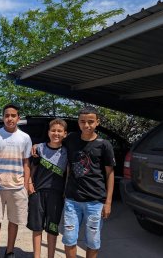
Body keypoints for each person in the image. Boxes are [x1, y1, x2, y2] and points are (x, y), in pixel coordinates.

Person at [61, 106, 115, 258]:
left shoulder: (104, 145)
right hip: (72, 200)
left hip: (95, 202)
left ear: (97, 122)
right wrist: (36, 145)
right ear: (78, 123)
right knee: (69, 239)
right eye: (82, 121)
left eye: (91, 121)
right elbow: (54, 141)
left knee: (92, 241)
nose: (86, 125)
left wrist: (108, 202)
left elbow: (110, 173)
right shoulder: (71, 139)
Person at [0, 103, 32, 258]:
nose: (10, 118)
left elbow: (26, 163)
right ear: (3, 117)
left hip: (17, 187)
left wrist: (25, 186)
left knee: (14, 220)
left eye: (13, 115)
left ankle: (10, 251)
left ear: (18, 118)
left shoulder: (25, 138)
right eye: (7, 115)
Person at [27, 118, 68, 258]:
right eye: (53, 130)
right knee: (37, 227)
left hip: (56, 196)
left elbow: (69, 174)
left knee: (52, 228)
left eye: (59, 131)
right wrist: (30, 183)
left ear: (65, 134)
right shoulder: (39, 148)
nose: (56, 133)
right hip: (37, 193)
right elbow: (33, 167)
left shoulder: (67, 151)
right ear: (49, 132)